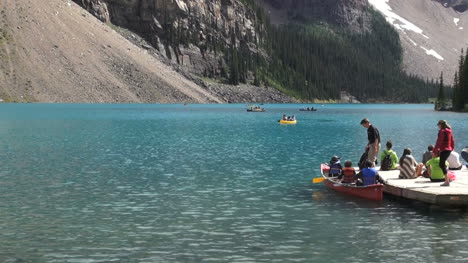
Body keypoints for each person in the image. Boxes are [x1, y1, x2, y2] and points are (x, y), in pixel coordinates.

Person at [433, 120, 455, 186]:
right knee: (442, 164)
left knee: (442, 164)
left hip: (444, 149)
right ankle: (449, 179)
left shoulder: (442, 131)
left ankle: (447, 182)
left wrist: (435, 150)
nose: (438, 126)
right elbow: (452, 140)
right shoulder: (449, 131)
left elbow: (439, 141)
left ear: (440, 125)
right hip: (449, 149)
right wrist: (452, 148)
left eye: (438, 125)